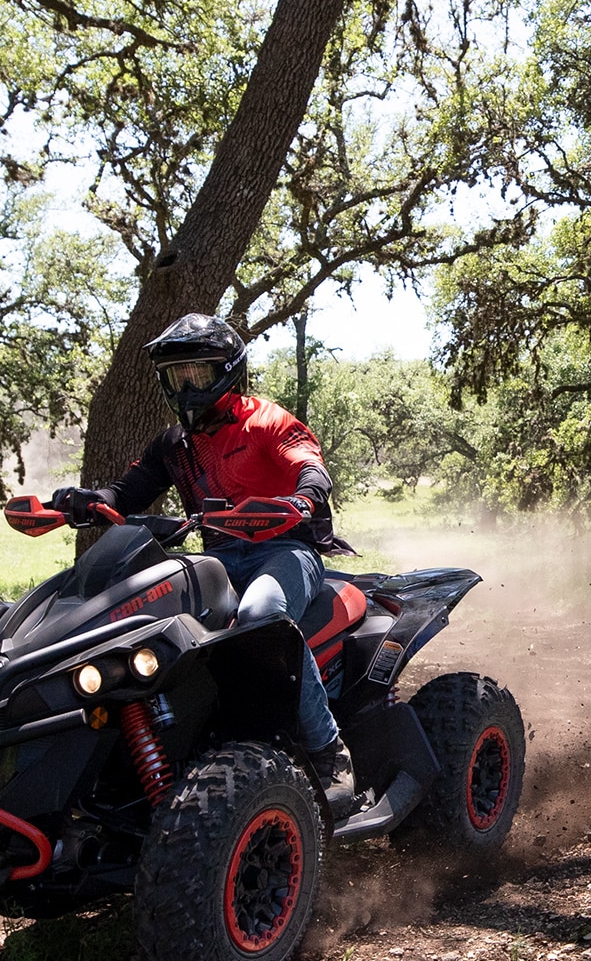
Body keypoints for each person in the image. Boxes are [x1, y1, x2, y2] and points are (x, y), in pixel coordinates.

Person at [40, 314, 359, 799]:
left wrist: (302, 498)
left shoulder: (267, 421)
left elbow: (309, 466)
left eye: (199, 373)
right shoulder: (175, 445)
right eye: (177, 375)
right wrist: (84, 501)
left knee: (261, 614)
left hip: (286, 549)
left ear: (229, 371)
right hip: (218, 558)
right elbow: (127, 493)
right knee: (143, 620)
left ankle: (327, 750)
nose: (188, 386)